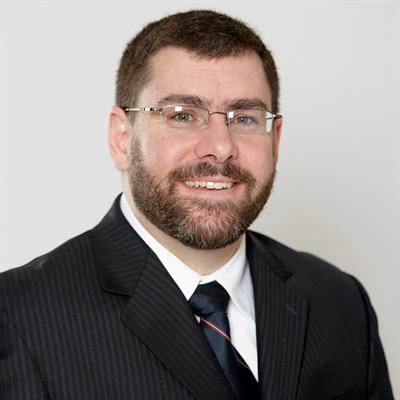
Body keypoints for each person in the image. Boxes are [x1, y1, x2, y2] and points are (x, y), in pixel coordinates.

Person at [0, 10, 393, 400]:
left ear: (275, 139)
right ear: (122, 138)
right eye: (183, 115)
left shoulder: (340, 301)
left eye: (245, 118)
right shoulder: (17, 316)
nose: (220, 147)